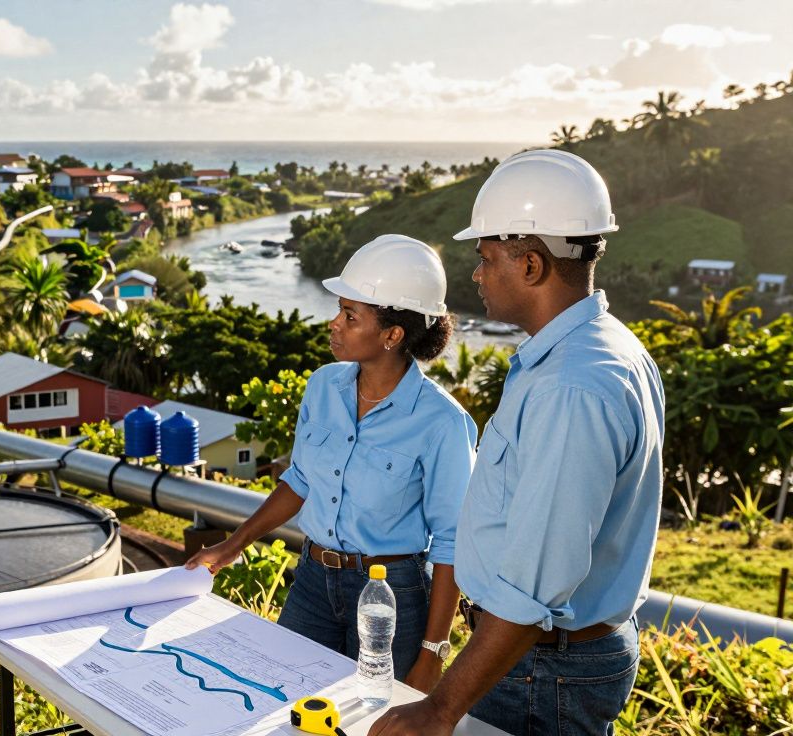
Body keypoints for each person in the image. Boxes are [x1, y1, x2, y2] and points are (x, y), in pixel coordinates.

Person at [370, 150, 665, 736]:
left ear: (530, 265)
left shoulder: (570, 386)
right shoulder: (601, 348)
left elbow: (534, 585)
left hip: (541, 666)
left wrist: (438, 708)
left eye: (484, 259)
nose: (476, 275)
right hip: (544, 657)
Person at [186, 234, 477, 694]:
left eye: (349, 315)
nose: (334, 324)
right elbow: (299, 481)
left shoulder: (442, 422)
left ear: (392, 335)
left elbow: (452, 544)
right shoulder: (323, 386)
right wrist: (233, 544)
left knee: (377, 714)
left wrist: (431, 653)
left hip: (391, 596)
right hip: (313, 581)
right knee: (283, 700)